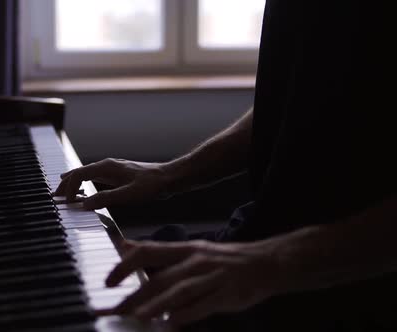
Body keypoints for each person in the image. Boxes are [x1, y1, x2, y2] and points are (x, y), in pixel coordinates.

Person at [55, 1, 396, 331]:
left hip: (339, 290)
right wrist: (169, 174)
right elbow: (298, 95)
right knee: (75, 284)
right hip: (256, 247)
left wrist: (272, 262)